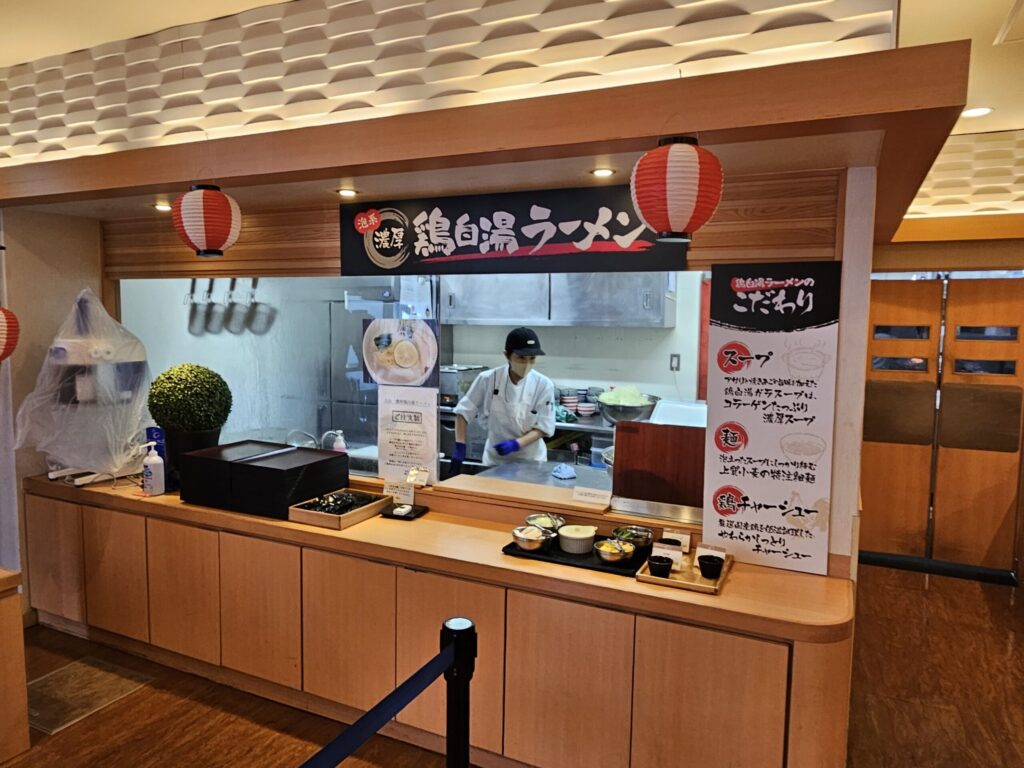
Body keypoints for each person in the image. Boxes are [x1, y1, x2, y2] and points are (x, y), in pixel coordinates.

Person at [450, 327, 556, 473]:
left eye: (532, 358)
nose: (527, 364)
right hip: (495, 461)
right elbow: (463, 412)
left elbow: (543, 427)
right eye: (521, 357)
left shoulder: (543, 385)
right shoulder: (487, 379)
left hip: (531, 462)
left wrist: (516, 444)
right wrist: (459, 446)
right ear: (507, 355)